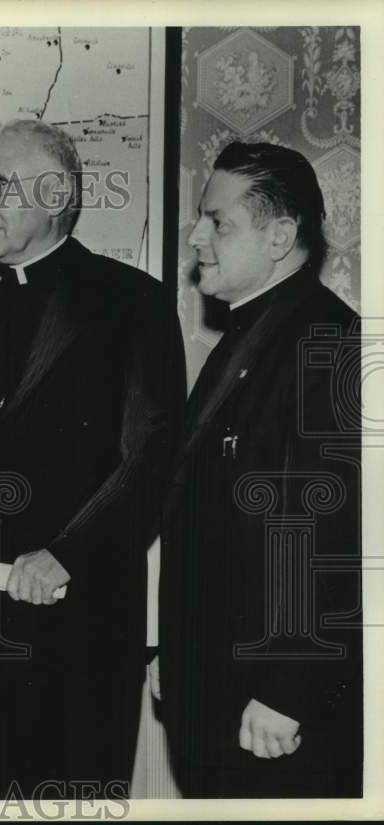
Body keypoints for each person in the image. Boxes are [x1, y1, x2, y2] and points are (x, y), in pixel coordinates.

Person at [0, 120, 184, 800]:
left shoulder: (132, 302)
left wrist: (65, 554)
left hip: (81, 635)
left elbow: (150, 456)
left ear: (55, 195)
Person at [156, 142, 362, 798]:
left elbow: (331, 534)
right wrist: (178, 651)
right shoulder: (247, 340)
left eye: (218, 222)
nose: (196, 236)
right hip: (217, 691)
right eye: (200, 219)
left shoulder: (326, 344)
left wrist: (289, 687)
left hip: (273, 712)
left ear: (280, 236)